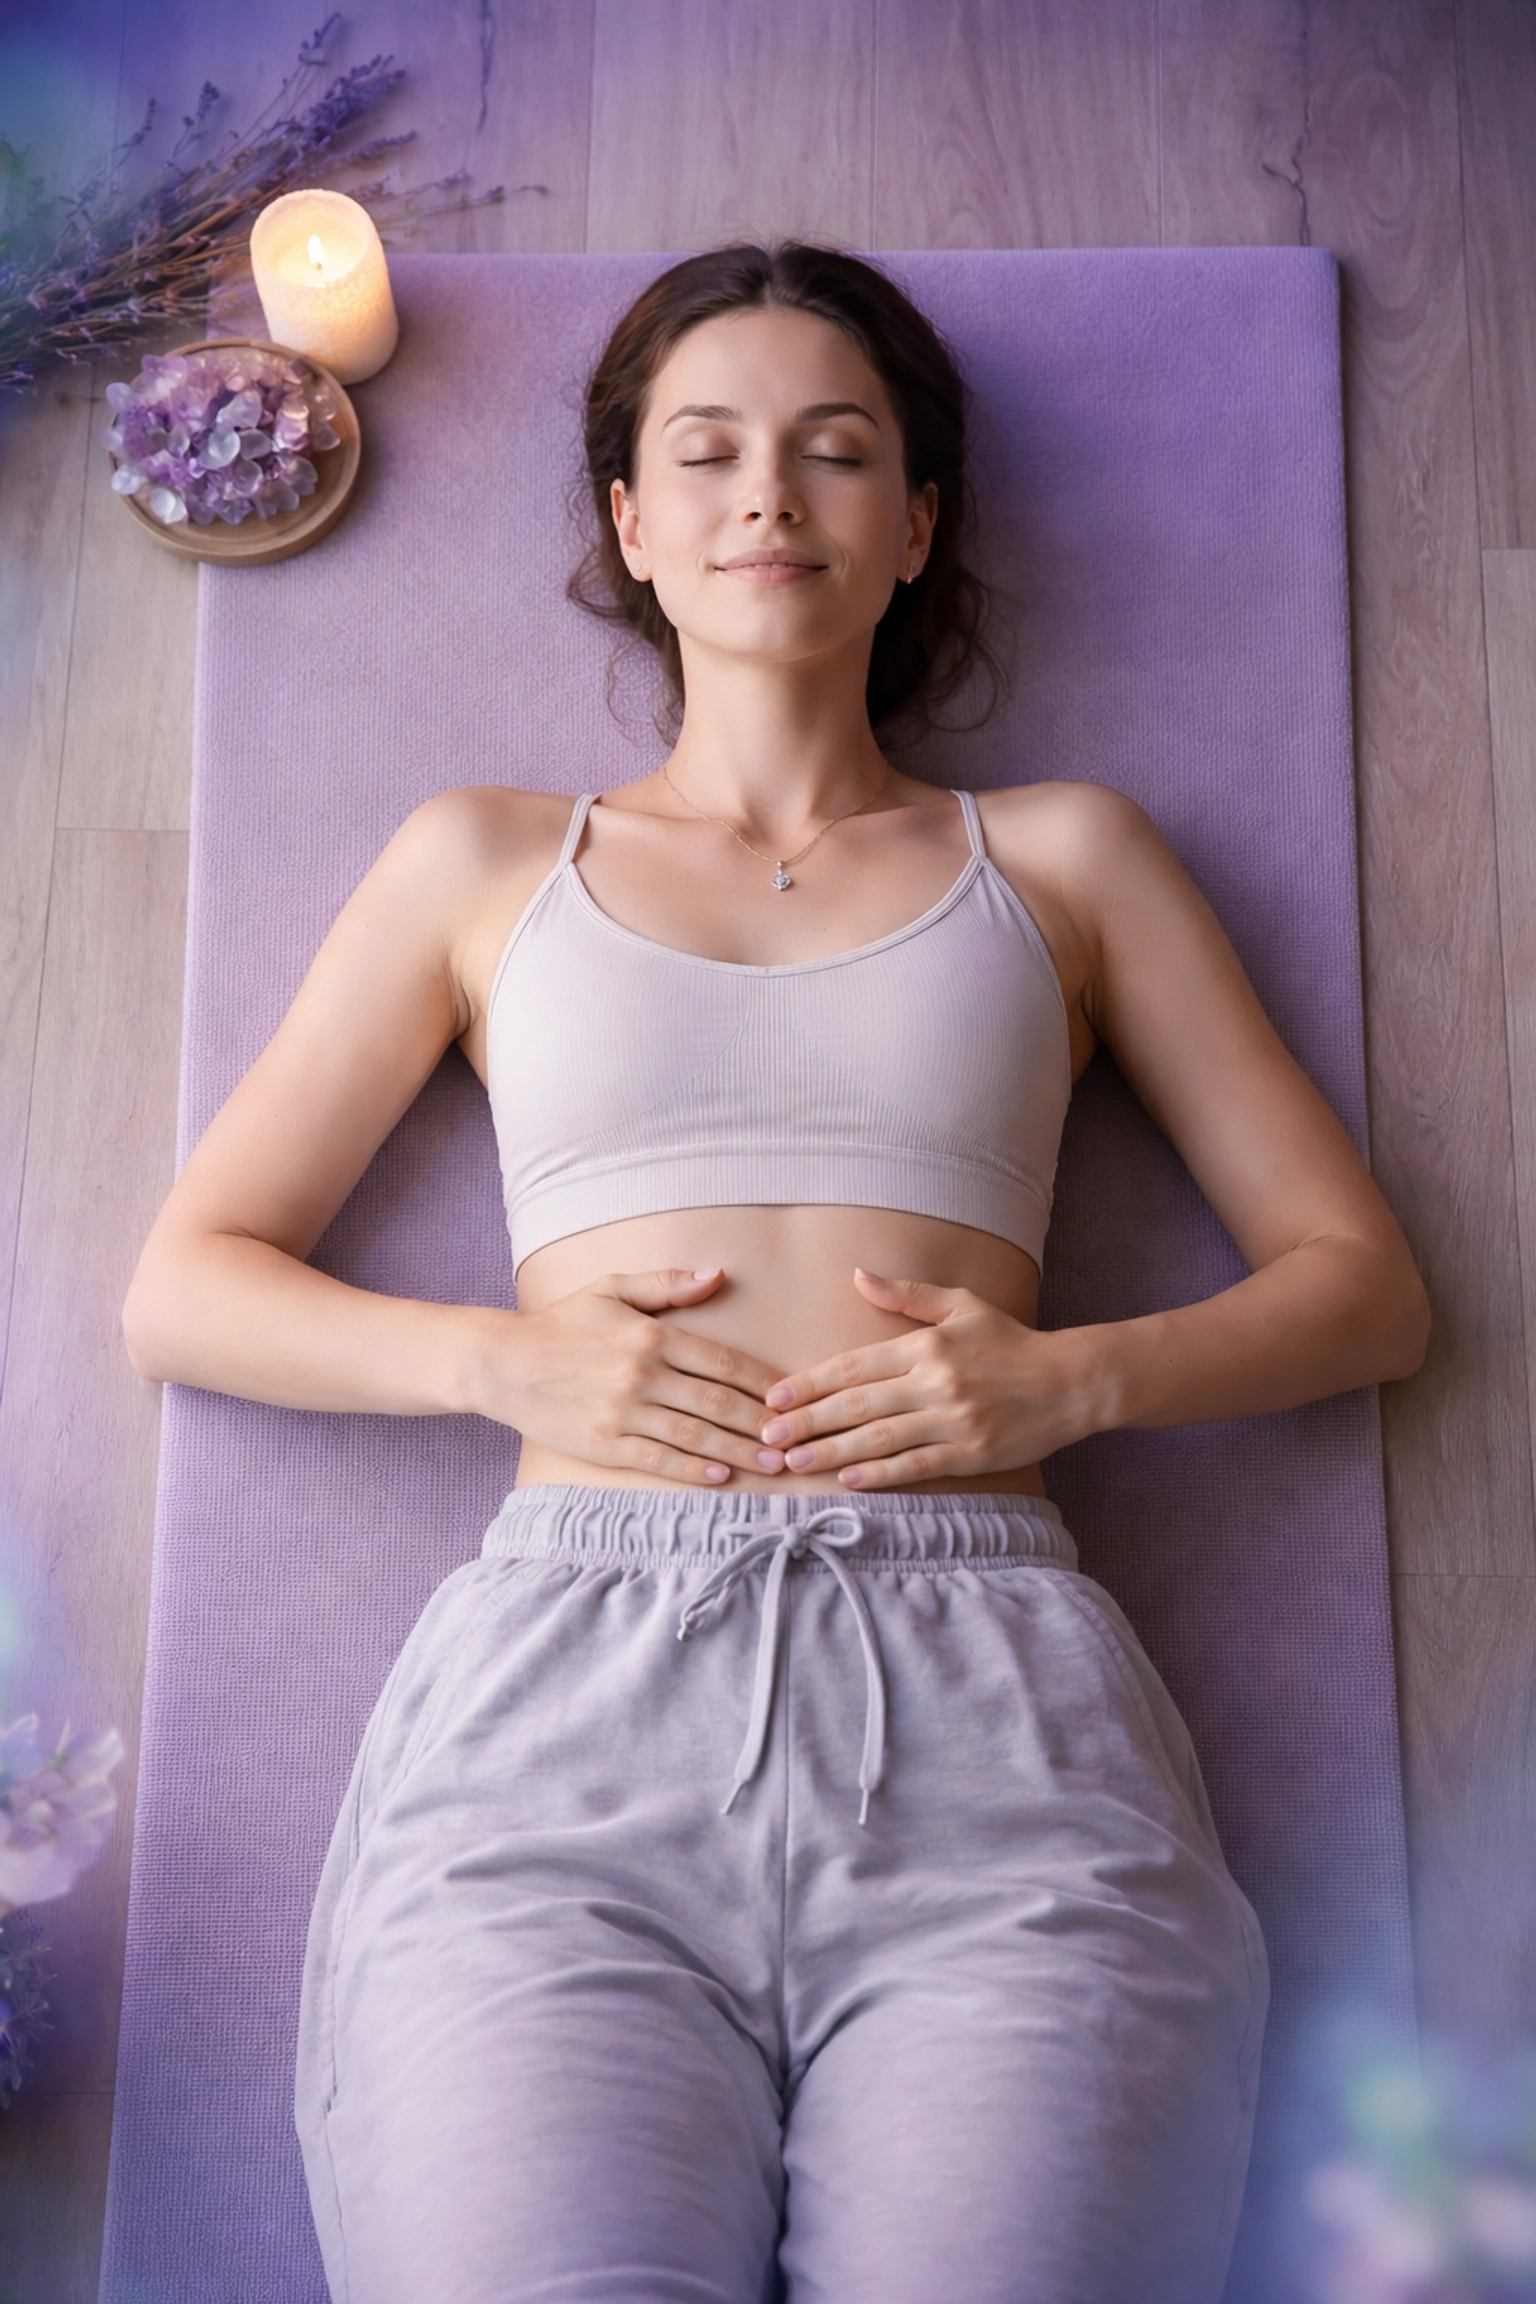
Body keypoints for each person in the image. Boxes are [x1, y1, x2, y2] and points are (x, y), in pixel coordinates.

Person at [123, 242, 1429, 2303]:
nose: (768, 497)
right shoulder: (481, 858)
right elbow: (189, 1286)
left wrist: (1069, 1383)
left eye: (837, 454)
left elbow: (1364, 1287)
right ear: (634, 526)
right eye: (705, 453)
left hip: (989, 1720)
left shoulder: (1068, 858)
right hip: (564, 1724)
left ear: (913, 526)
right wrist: (502, 1363)